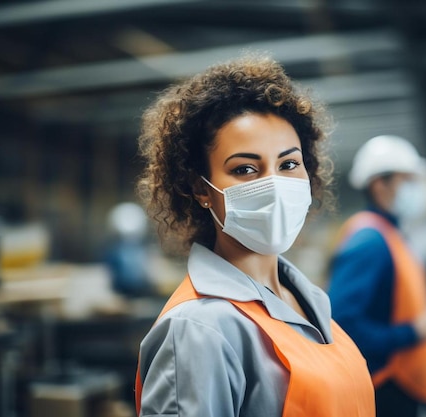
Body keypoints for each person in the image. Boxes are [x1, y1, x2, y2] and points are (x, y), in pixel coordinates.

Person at [134, 54, 375, 417]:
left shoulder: (309, 301)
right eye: (245, 169)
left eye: (289, 164)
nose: (274, 185)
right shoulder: (199, 330)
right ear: (201, 189)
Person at [327, 135, 426, 417]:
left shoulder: (393, 235)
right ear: (379, 184)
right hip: (382, 388)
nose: (416, 189)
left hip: (402, 387)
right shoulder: (369, 242)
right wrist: (413, 332)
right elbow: (341, 326)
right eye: (407, 180)